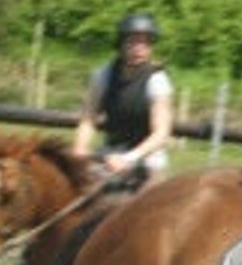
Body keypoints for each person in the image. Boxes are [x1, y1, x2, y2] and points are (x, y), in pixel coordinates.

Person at [72, 13, 174, 183]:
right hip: (110, 152)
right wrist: (80, 148)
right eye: (133, 42)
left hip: (148, 158)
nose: (139, 48)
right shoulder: (104, 75)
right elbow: (89, 118)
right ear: (121, 44)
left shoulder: (158, 81)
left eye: (145, 42)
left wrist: (129, 158)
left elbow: (161, 133)